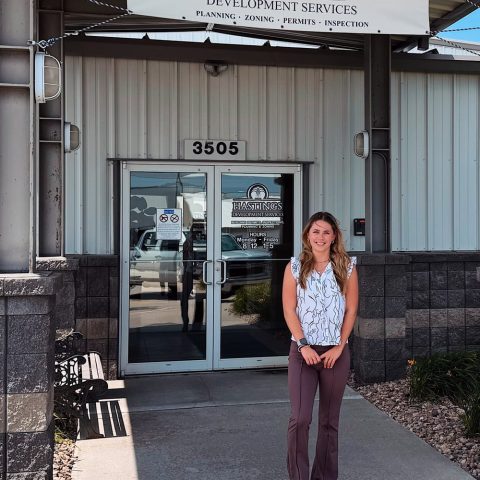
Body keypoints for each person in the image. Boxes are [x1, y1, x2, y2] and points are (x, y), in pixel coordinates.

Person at [282, 211, 358, 480]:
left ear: (334, 236)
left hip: (335, 355)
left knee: (329, 422)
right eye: (316, 231)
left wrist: (340, 346)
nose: (320, 237)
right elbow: (289, 310)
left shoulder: (346, 267)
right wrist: (303, 346)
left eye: (326, 232)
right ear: (307, 235)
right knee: (300, 419)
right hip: (303, 353)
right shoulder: (294, 267)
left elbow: (350, 311)